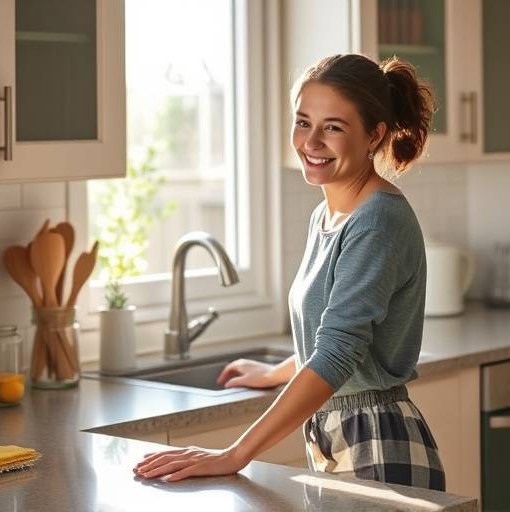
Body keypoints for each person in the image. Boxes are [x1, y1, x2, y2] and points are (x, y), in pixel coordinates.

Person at [133, 53, 445, 491]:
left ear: (374, 135)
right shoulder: (327, 215)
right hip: (339, 438)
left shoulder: (377, 222)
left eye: (333, 127)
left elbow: (339, 353)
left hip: (376, 443)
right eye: (303, 122)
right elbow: (333, 335)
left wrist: (233, 454)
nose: (311, 141)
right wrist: (274, 372)